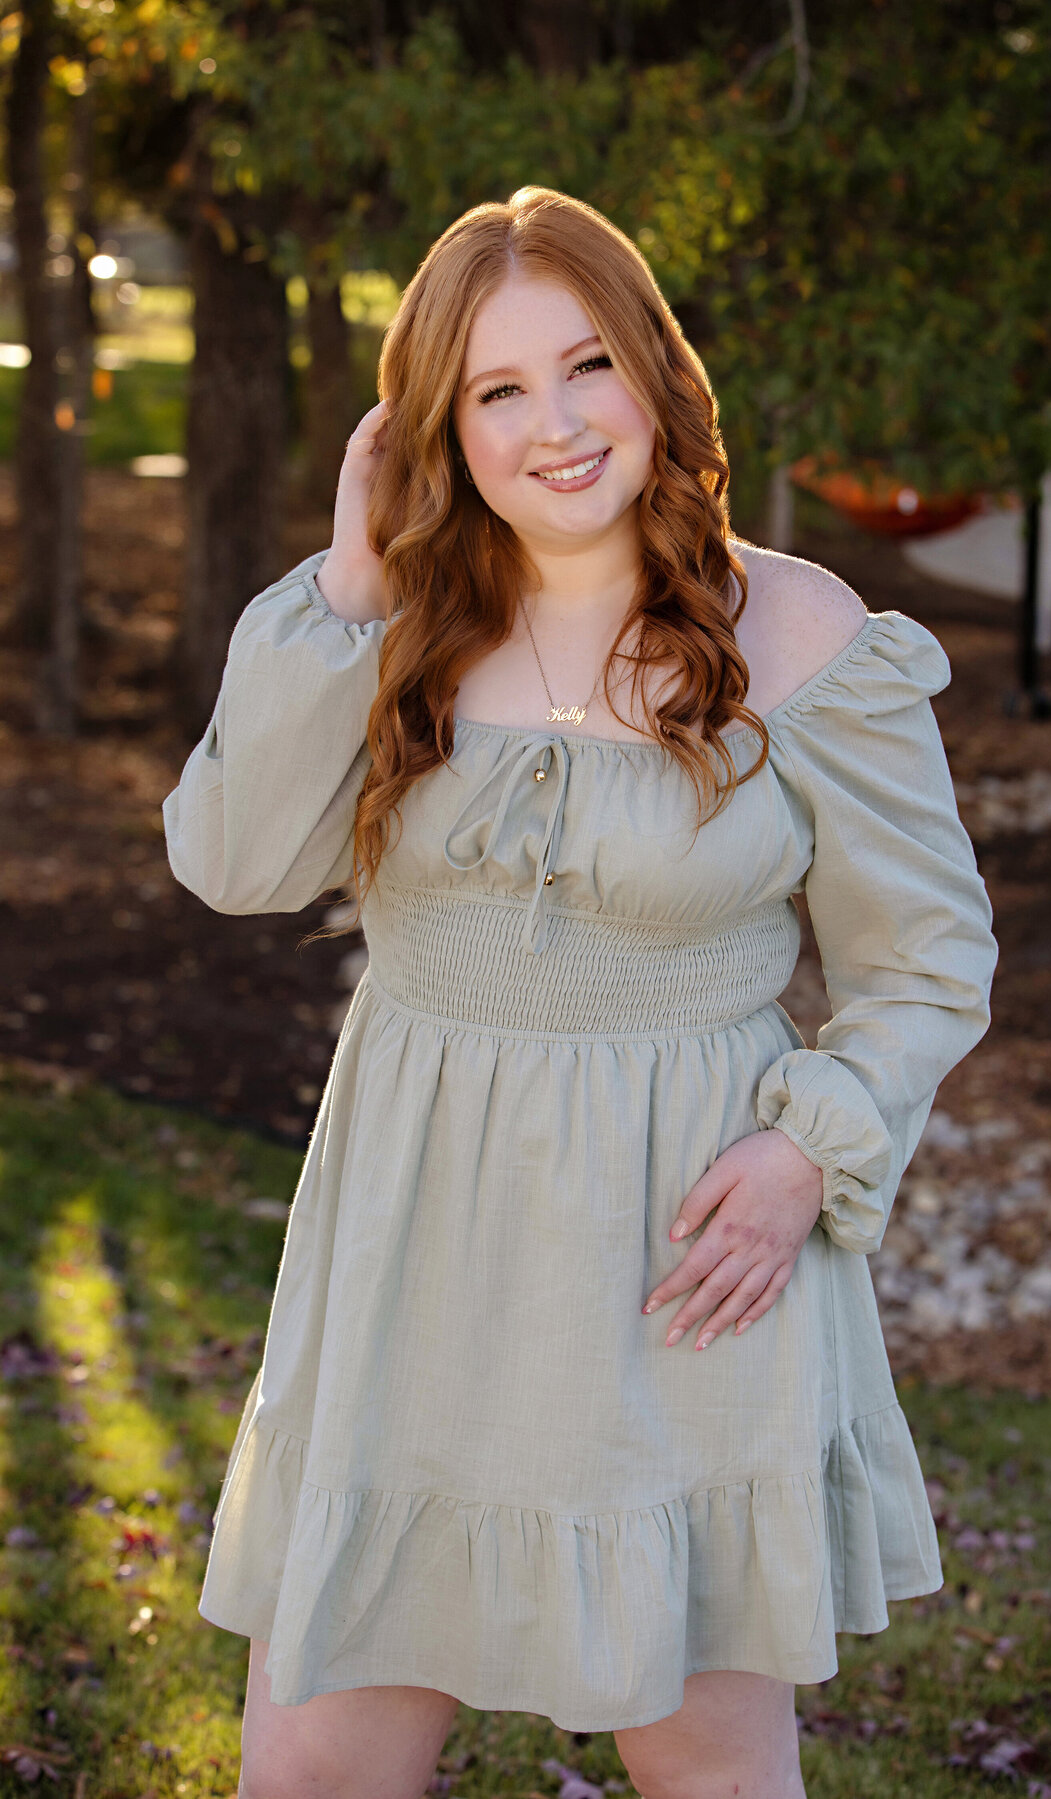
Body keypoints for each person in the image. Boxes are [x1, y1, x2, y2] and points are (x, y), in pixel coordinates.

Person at [163, 184, 998, 1799]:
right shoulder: (392, 624)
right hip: (413, 1261)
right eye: (494, 390)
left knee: (706, 1767)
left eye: (587, 364)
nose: (555, 424)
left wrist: (806, 1147)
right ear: (436, 430)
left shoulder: (802, 633)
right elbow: (234, 859)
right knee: (315, 1764)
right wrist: (346, 580)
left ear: (655, 377)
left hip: (679, 1272)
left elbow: (926, 960)